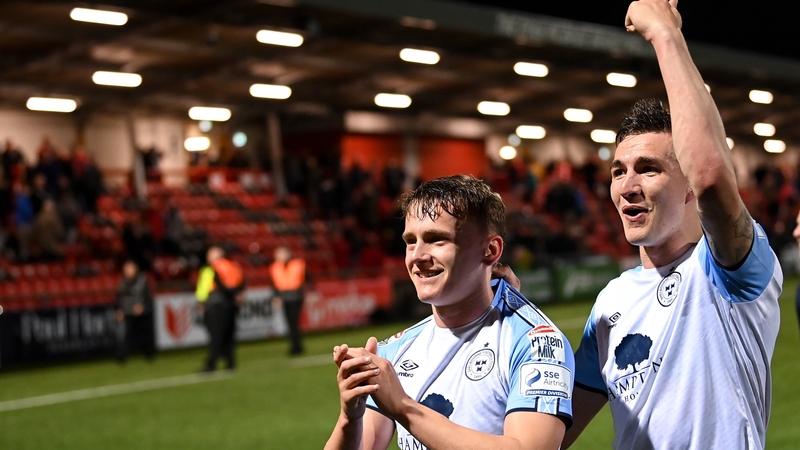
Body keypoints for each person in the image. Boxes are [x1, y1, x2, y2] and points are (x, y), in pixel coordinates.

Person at [562, 1, 783, 449]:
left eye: (649, 169)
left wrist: (666, 35)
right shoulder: (611, 303)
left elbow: (712, 176)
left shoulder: (730, 270)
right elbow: (547, 436)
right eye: (618, 171)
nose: (628, 186)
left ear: (688, 188)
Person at [324, 175, 573, 450]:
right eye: (410, 241)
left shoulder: (536, 343)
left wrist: (404, 408)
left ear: (490, 251)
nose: (417, 256)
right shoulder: (395, 351)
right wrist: (350, 417)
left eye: (436, 239)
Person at [196, 246, 244, 372]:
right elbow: (240, 283)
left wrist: (201, 302)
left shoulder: (214, 268)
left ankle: (212, 363)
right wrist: (236, 295)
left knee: (216, 335)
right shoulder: (232, 266)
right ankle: (229, 361)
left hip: (216, 305)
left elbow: (213, 287)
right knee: (228, 334)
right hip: (228, 305)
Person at [114, 260, 155, 362]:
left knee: (145, 334)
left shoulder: (142, 281)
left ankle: (149, 354)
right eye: (127, 269)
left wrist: (142, 306)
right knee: (126, 334)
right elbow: (119, 298)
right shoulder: (122, 283)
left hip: (142, 312)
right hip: (128, 312)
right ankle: (122, 356)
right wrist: (119, 310)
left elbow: (147, 297)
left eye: (131, 268)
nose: (129, 271)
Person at [269, 246, 307, 355]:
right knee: (290, 323)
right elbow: (274, 284)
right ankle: (295, 346)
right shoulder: (275, 267)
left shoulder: (297, 264)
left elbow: (306, 278)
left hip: (295, 297)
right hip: (284, 298)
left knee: (293, 322)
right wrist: (276, 297)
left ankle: (296, 346)